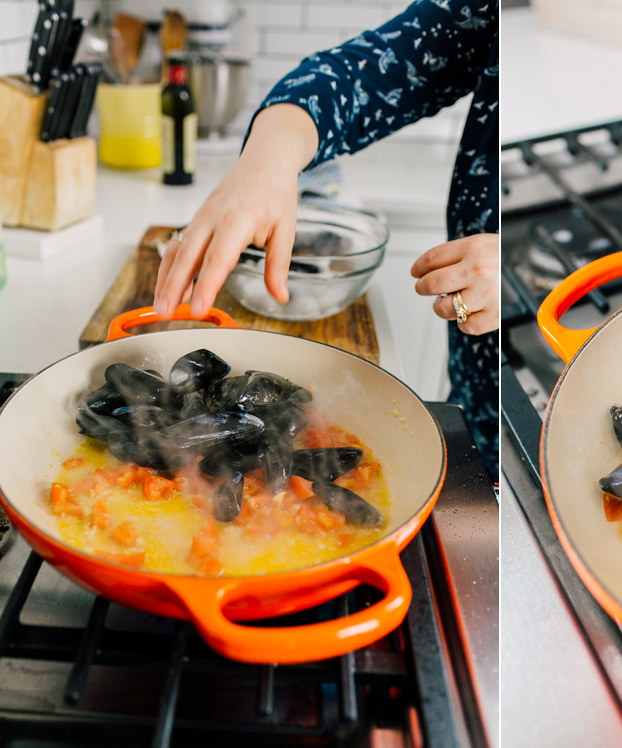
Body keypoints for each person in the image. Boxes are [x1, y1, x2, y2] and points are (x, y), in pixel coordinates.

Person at [152, 0, 499, 478]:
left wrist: (516, 272)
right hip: (479, 407)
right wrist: (268, 159)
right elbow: (358, 75)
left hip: (510, 401)